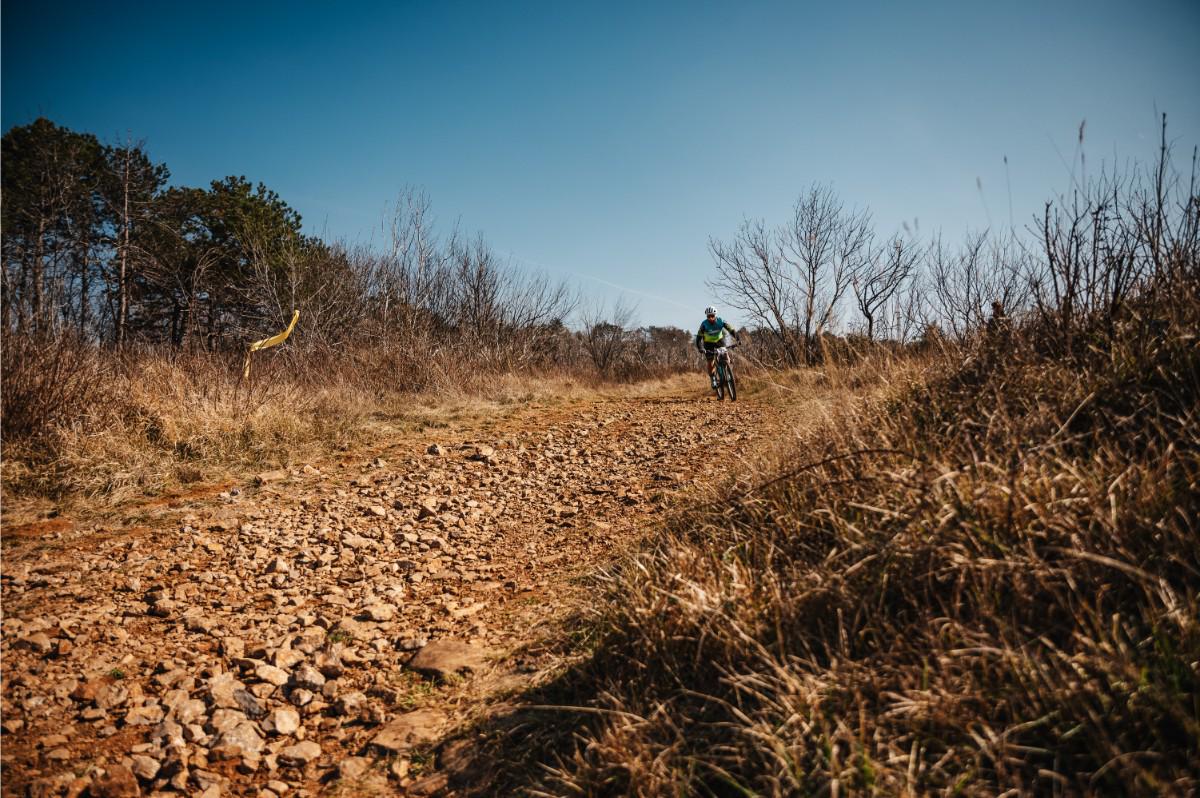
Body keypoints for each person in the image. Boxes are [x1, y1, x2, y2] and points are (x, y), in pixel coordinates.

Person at [695, 306, 740, 390]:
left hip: (719, 341)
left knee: (726, 356)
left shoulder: (721, 321)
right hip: (708, 343)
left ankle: (728, 372)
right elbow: (698, 338)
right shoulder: (704, 324)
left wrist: (737, 339)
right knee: (710, 361)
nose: (710, 318)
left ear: (715, 315)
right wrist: (700, 348)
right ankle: (713, 379)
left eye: (712, 316)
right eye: (708, 316)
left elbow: (731, 330)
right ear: (706, 317)